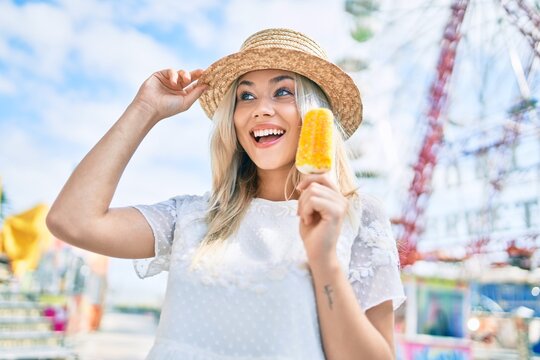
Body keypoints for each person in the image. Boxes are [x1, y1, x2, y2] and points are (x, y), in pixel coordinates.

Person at [47, 28, 406, 359]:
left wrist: (325, 261)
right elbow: (72, 220)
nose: (260, 109)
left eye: (283, 92)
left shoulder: (358, 217)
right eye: (245, 96)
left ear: (315, 115)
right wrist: (145, 110)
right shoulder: (192, 217)